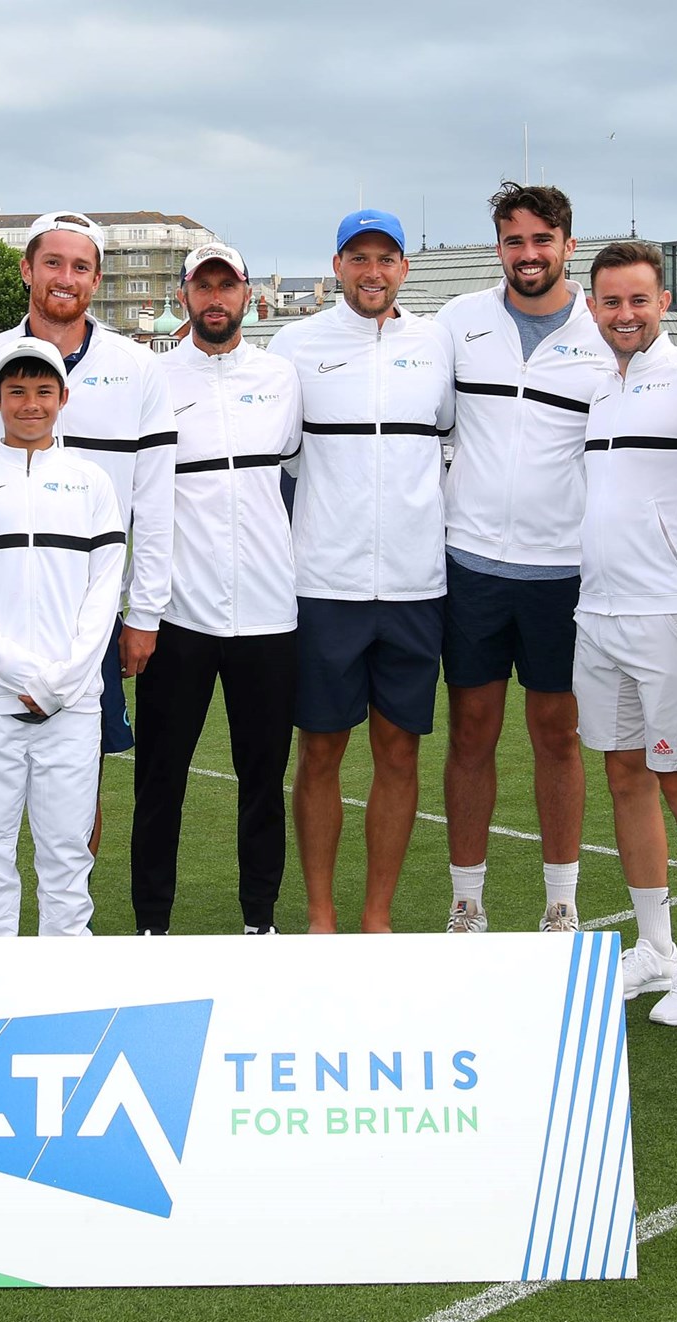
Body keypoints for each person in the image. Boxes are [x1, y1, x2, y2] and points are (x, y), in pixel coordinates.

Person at [0, 211, 175, 856]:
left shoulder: (138, 367)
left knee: (82, 779)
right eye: (52, 263)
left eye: (80, 267)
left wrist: (146, 611)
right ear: (27, 269)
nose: (64, 278)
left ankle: (69, 932)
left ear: (97, 279)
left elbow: (154, 501)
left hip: (89, 614)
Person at [270, 209, 455, 932]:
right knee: (318, 749)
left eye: (386, 258)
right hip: (322, 584)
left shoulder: (435, 345)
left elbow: (446, 438)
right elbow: (282, 455)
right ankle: (321, 914)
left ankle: (376, 915)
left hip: (415, 585)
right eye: (358, 258)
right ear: (338, 265)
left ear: (404, 267)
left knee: (398, 750)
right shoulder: (294, 343)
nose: (372, 271)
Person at [576, 240, 677, 1025]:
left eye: (638, 300)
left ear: (664, 303)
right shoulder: (598, 392)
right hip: (599, 612)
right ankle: (656, 948)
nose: (624, 315)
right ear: (593, 306)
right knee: (623, 775)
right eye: (610, 302)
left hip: (675, 614)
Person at [434, 184, 606, 935]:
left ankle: (561, 902)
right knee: (470, 730)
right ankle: (466, 901)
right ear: (497, 246)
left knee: (557, 734)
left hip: (565, 571)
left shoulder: (609, 332)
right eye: (515, 240)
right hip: (469, 566)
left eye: (544, 240)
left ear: (569, 244)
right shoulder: (457, 323)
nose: (529, 254)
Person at [130, 242, 301, 936]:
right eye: (203, 286)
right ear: (184, 295)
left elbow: (295, 469)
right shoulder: (152, 377)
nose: (215, 298)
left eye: (226, 285)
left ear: (247, 295)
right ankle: (152, 925)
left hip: (269, 614)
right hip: (178, 616)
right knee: (159, 781)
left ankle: (259, 920)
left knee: (263, 783)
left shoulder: (282, 378)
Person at [0, 338, 124, 935]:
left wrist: (62, 680)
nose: (30, 404)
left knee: (67, 861)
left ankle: (62, 1001)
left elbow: (104, 591)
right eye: (16, 391)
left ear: (63, 397)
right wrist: (19, 675)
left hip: (72, 704)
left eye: (43, 391)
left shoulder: (92, 483)